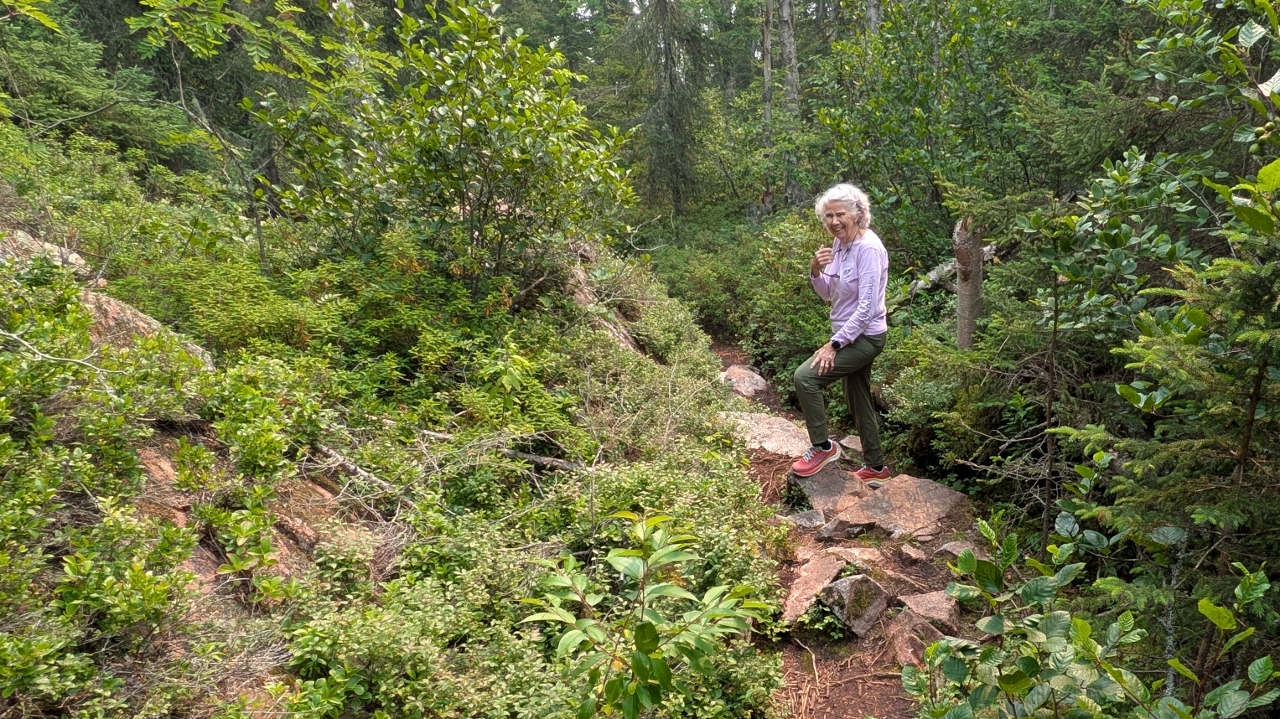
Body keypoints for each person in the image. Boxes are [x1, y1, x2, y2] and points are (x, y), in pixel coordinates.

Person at [790, 183, 891, 484]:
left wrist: (834, 345)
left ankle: (823, 447)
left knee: (805, 378)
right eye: (829, 216)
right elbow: (828, 295)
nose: (834, 222)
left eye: (840, 215)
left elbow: (867, 308)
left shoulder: (869, 249)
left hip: (866, 338)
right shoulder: (839, 244)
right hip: (848, 334)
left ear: (858, 214)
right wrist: (814, 270)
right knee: (858, 397)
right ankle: (876, 468)